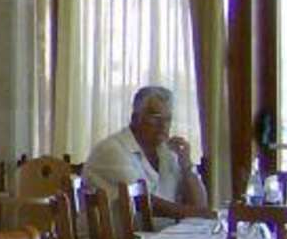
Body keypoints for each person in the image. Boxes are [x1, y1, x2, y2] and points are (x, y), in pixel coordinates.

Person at [84, 85, 209, 216]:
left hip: (161, 228)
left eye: (168, 119)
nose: (163, 125)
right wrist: (197, 214)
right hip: (119, 230)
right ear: (135, 118)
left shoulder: (168, 151)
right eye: (156, 117)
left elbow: (200, 204)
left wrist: (187, 166)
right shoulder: (111, 150)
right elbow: (142, 202)